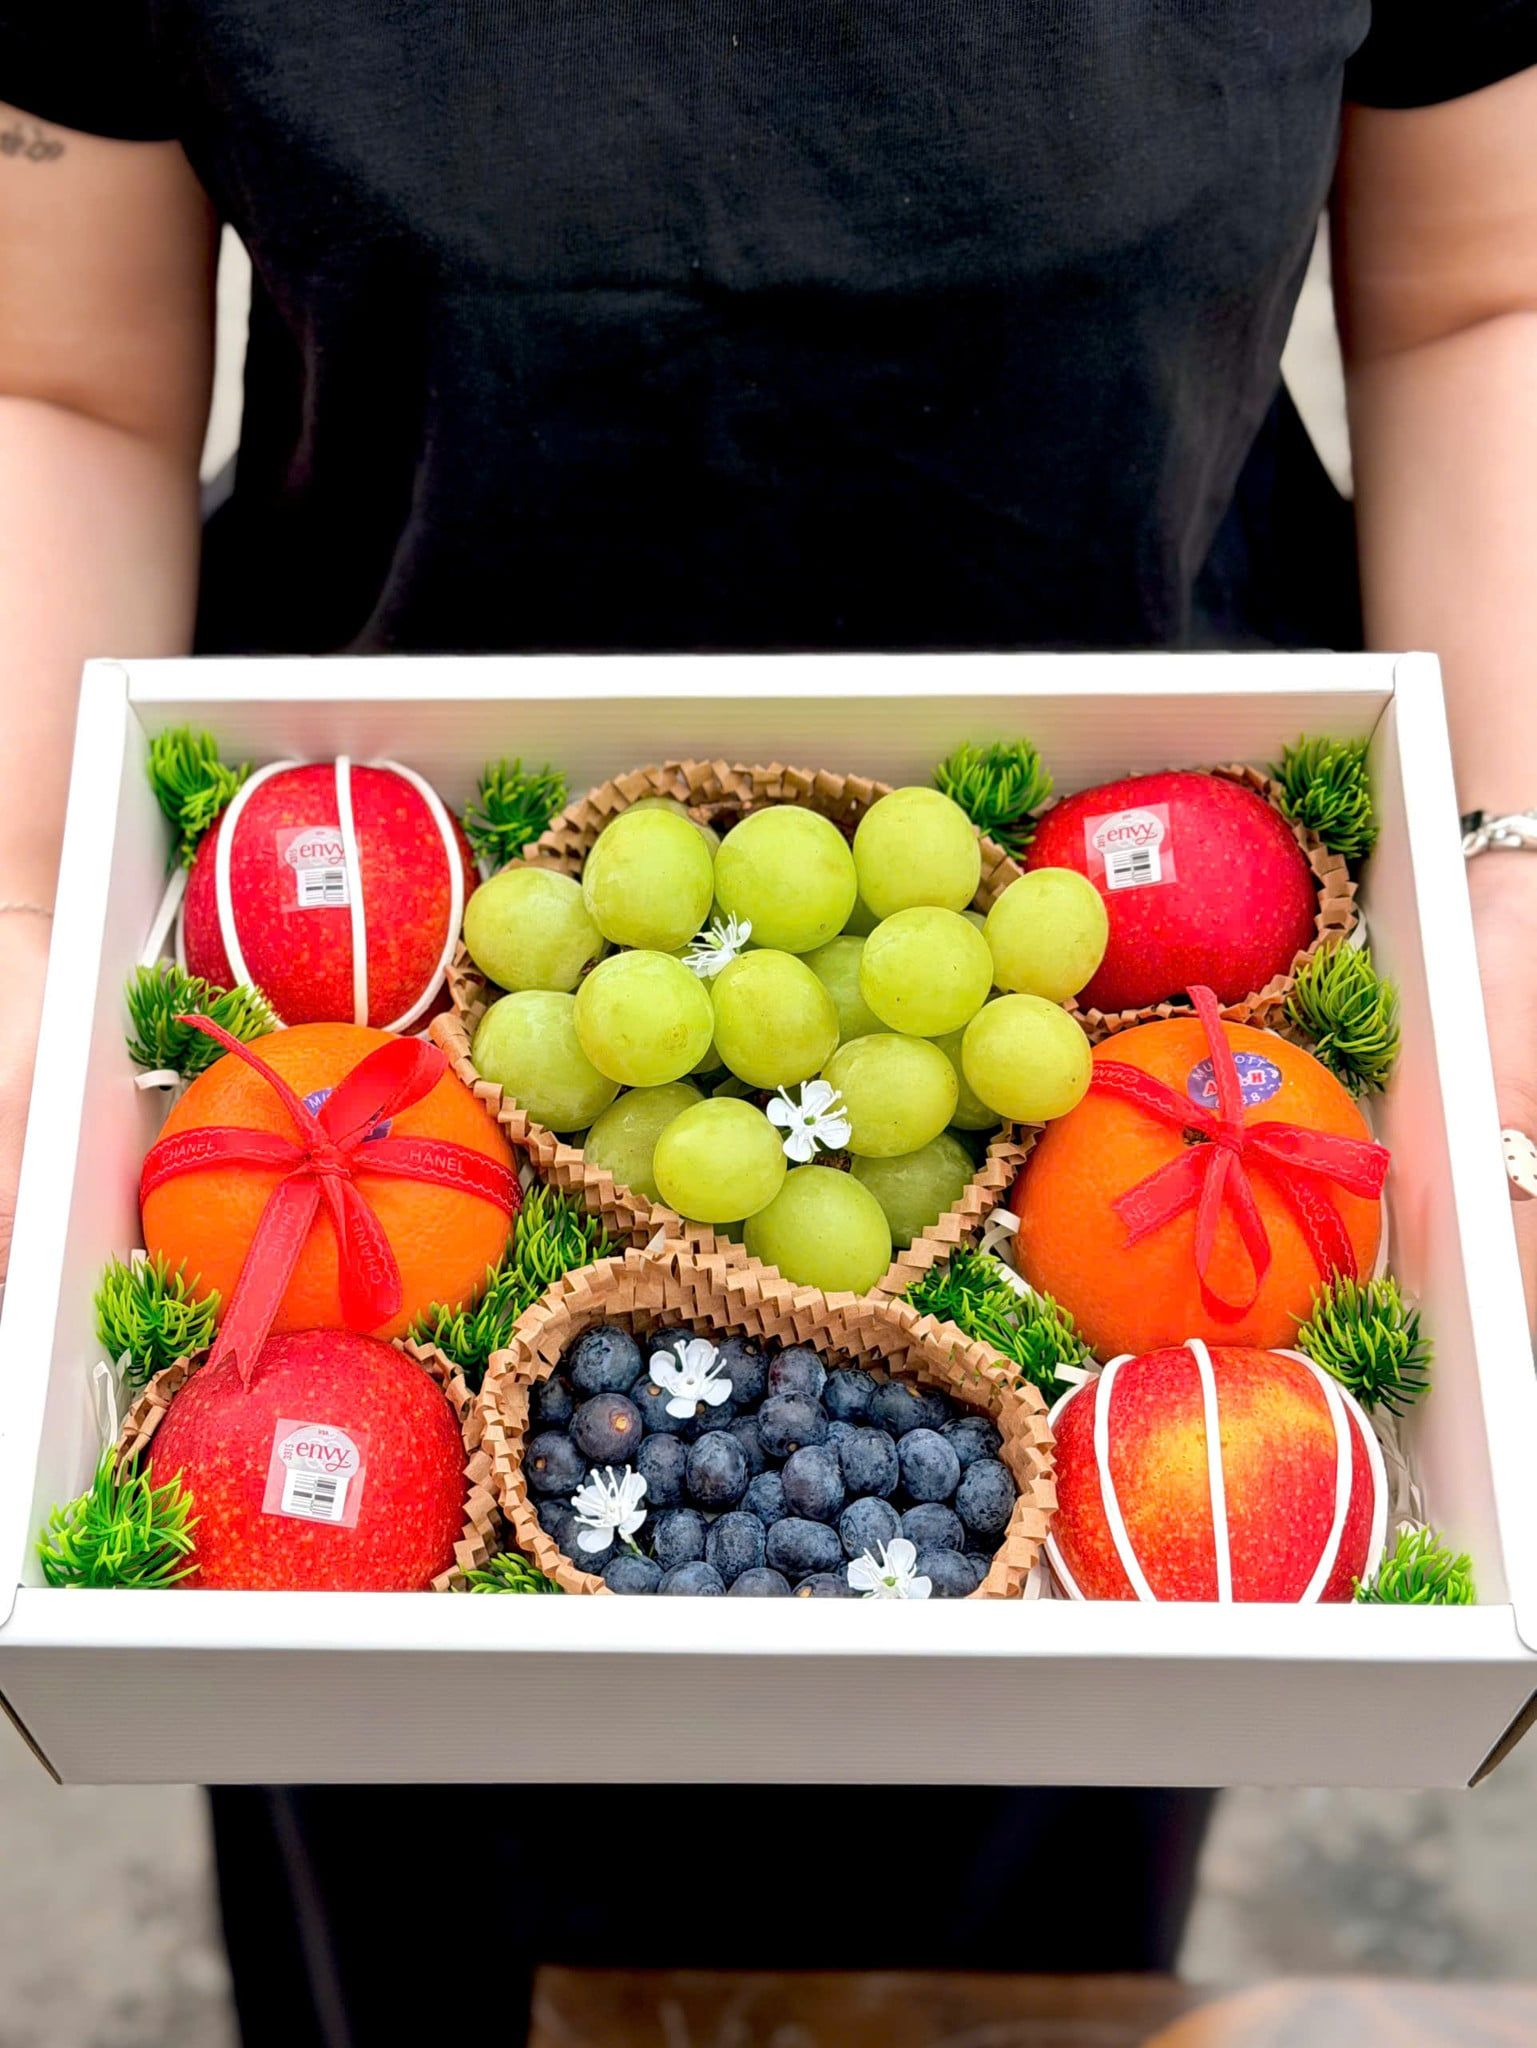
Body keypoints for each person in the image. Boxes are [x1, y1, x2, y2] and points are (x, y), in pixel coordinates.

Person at [2, 6, 1535, 2042]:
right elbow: (56, 371)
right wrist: (25, 905)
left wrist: (1508, 866)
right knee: (407, 1877)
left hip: (1139, 893)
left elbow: (1478, 291)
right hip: (379, 868)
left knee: (1015, 1912)